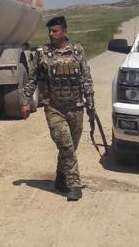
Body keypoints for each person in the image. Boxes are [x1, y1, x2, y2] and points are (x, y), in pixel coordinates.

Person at [21, 15, 95, 201]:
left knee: (71, 147)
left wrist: (90, 104)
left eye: (55, 31)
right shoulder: (43, 54)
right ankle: (74, 184)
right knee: (66, 145)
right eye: (50, 31)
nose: (51, 34)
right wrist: (25, 102)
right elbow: (32, 79)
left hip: (76, 107)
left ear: (64, 31)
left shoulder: (78, 51)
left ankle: (61, 178)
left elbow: (85, 78)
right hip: (54, 108)